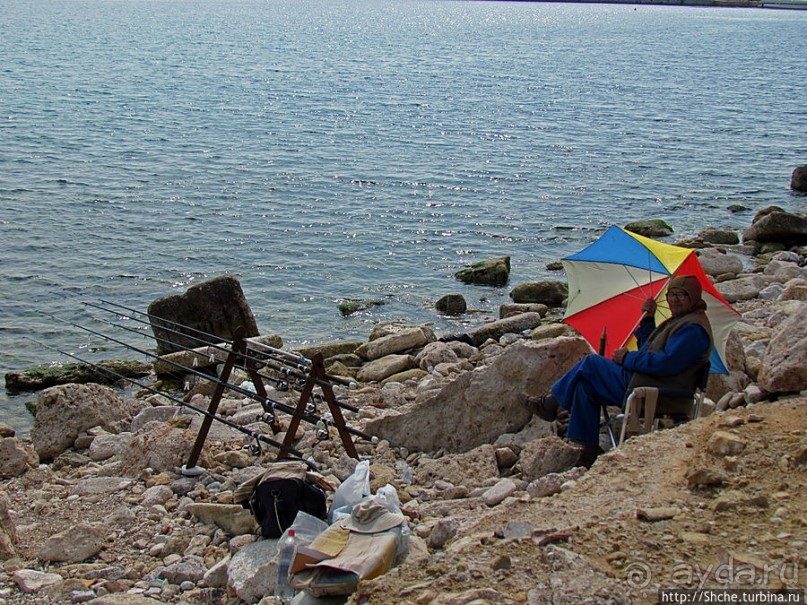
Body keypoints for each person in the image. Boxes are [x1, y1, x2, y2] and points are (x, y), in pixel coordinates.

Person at [522, 275, 714, 467]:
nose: (674, 299)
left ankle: (550, 403)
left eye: (681, 294)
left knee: (591, 363)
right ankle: (587, 449)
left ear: (694, 297)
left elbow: (665, 364)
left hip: (657, 393)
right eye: (671, 294)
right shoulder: (681, 321)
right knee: (584, 385)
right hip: (648, 383)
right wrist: (648, 320)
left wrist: (627, 358)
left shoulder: (693, 329)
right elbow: (650, 350)